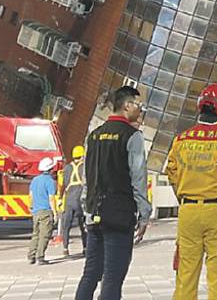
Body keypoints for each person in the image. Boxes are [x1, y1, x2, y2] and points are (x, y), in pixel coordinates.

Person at [166, 83, 217, 300]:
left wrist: (185, 196)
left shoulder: (181, 140)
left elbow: (171, 174)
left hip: (188, 213)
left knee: (185, 278)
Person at [75, 86, 152, 300]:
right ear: (127, 106)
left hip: (94, 214)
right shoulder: (132, 136)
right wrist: (144, 214)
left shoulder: (94, 136)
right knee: (112, 278)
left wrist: (87, 209)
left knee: (90, 274)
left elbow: (87, 178)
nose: (140, 110)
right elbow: (138, 179)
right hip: (119, 215)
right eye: (139, 105)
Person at [28, 156, 58, 265]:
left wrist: (31, 207)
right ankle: (40, 257)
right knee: (44, 235)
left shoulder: (35, 180)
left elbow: (31, 196)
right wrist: (55, 213)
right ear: (51, 169)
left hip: (36, 211)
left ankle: (31, 256)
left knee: (36, 234)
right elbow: (51, 198)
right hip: (46, 211)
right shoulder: (50, 181)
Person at [60, 144, 87, 258]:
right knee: (83, 225)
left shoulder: (67, 168)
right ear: (82, 156)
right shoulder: (84, 167)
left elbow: (63, 184)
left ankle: (65, 249)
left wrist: (60, 199)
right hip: (79, 198)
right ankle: (85, 248)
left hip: (69, 199)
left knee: (66, 225)